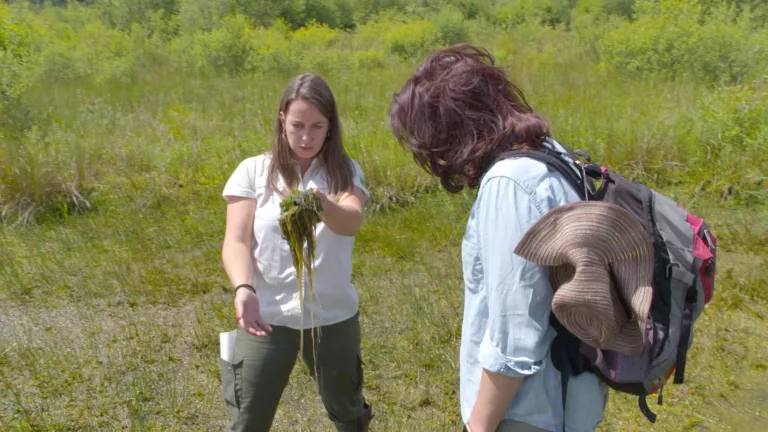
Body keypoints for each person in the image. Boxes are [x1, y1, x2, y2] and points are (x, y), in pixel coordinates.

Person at [387, 44, 608, 432]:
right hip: (573, 394)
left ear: (450, 132)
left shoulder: (510, 184)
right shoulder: (552, 155)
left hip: (529, 412)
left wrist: (479, 426)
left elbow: (513, 341)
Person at [220, 73, 373, 432]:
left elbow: (350, 221)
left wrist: (323, 205)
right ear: (281, 120)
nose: (306, 137)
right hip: (267, 315)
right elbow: (236, 241)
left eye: (317, 126)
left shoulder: (345, 172)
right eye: (297, 125)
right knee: (247, 418)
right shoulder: (253, 171)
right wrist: (244, 288)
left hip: (331, 315)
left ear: (331, 126)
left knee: (347, 410)